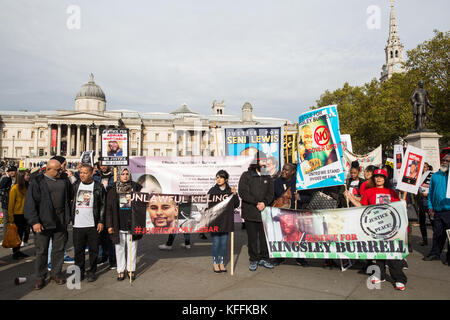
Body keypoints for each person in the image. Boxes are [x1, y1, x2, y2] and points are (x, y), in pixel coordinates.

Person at [346, 169, 407, 291]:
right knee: (378, 252)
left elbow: (397, 208)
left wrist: (403, 201)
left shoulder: (392, 192)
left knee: (392, 254)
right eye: (377, 177)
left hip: (391, 227)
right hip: (374, 227)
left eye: (381, 177)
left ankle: (399, 279)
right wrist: (351, 198)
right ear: (373, 179)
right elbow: (362, 207)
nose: (379, 179)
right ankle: (380, 275)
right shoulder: (369, 192)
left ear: (385, 179)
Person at [24, 159, 72, 290]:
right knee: (42, 250)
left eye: (61, 169)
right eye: (58, 170)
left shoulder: (64, 180)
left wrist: (69, 216)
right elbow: (30, 203)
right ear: (48, 169)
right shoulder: (37, 181)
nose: (61, 171)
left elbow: (70, 198)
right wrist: (34, 222)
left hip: (60, 220)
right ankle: (40, 276)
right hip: (44, 221)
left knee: (59, 249)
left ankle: (56, 273)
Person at [238, 154, 275, 271]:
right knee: (252, 238)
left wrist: (264, 202)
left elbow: (270, 193)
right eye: (261, 160)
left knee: (264, 238)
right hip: (250, 212)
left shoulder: (267, 176)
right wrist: (256, 203)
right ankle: (253, 259)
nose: (264, 163)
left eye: (265, 161)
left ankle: (264, 258)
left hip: (264, 212)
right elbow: (243, 192)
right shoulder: (246, 175)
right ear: (256, 162)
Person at [106, 167, 142, 281]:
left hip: (132, 221)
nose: (125, 176)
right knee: (119, 247)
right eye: (123, 174)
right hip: (118, 221)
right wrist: (109, 225)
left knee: (132, 247)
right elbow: (109, 209)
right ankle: (121, 270)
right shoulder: (112, 189)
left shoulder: (136, 187)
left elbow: (142, 205)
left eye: (127, 174)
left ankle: (131, 269)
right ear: (119, 176)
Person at [71, 164, 106, 282]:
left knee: (93, 250)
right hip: (78, 224)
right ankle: (79, 272)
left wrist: (101, 221)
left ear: (92, 173)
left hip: (92, 224)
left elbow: (103, 205)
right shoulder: (76, 185)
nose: (82, 175)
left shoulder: (98, 186)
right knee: (78, 251)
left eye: (85, 173)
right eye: (80, 172)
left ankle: (92, 271)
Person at [272, 163, 308, 267]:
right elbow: (272, 196)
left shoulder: (299, 182)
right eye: (283, 169)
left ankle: (300, 258)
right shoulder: (276, 182)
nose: (283, 171)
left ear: (293, 172)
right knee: (281, 236)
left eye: (287, 170)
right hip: (281, 214)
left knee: (297, 237)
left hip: (295, 213)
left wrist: (300, 198)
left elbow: (309, 196)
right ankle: (279, 257)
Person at [207, 170, 240, 273]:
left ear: (226, 179)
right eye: (217, 177)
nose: (219, 179)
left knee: (224, 243)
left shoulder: (231, 190)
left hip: (226, 221)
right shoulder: (212, 190)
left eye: (221, 177)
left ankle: (222, 263)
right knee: (216, 243)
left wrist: (235, 194)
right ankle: (215, 263)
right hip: (216, 221)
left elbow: (236, 204)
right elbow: (209, 206)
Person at [423, 154, 450, 265]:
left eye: (448, 161)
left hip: (449, 210)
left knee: (449, 235)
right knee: (437, 233)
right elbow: (431, 193)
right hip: (437, 210)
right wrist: (430, 206)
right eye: (443, 160)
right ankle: (435, 253)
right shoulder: (435, 176)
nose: (444, 162)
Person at [8, 168, 31, 260]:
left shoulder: (26, 187)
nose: (28, 177)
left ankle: (18, 250)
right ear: (22, 177)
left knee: (21, 233)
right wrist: (11, 219)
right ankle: (15, 251)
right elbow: (11, 205)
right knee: (17, 234)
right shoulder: (14, 189)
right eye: (26, 175)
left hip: (25, 213)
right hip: (17, 214)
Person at [416, 162, 433, 246]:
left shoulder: (432, 177)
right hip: (421, 202)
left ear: (428, 168)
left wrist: (428, 194)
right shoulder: (418, 177)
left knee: (433, 222)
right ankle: (424, 240)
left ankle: (436, 240)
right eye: (422, 167)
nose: (423, 169)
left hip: (429, 202)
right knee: (422, 222)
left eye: (425, 167)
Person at [0, 166, 17, 239]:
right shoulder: (5, 179)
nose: (11, 172)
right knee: (6, 221)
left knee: (15, 222)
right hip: (6, 203)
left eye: (13, 171)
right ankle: (5, 238)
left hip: (16, 204)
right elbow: (1, 186)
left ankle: (13, 238)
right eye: (10, 171)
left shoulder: (19, 179)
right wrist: (7, 178)